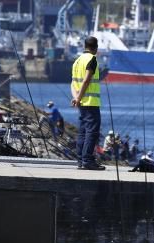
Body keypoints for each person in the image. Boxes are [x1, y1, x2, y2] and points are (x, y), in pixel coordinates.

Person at [70, 35, 104, 170]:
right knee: (92, 132)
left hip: (82, 103)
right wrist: (78, 99)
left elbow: (73, 82)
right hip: (90, 102)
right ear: (95, 48)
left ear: (85, 46)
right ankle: (87, 160)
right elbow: (86, 80)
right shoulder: (92, 59)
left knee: (83, 131)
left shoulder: (77, 61)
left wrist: (76, 98)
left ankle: (80, 160)